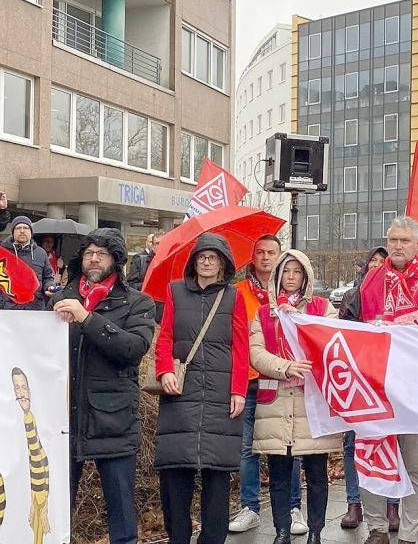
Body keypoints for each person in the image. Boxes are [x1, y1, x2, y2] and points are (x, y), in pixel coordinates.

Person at [340, 216, 418, 544]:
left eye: (404, 241)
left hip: (417, 392)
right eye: (393, 239)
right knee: (370, 460)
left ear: (417, 245)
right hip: (374, 388)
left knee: (416, 468)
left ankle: (410, 534)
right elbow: (346, 326)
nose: (397, 246)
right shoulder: (368, 282)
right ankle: (377, 529)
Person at [50, 228, 156, 544]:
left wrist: (87, 318)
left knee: (121, 513)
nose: (94, 259)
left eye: (102, 253)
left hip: (114, 420)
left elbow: (132, 348)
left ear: (117, 260)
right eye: (89, 253)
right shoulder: (59, 299)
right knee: (56, 512)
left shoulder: (138, 302)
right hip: (64, 420)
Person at [153, 233, 250, 544]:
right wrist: (165, 369)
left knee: (217, 477)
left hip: (221, 396)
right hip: (181, 393)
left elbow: (241, 348)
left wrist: (238, 390)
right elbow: (165, 337)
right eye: (202, 257)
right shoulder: (175, 291)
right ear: (193, 262)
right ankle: (177, 538)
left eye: (213, 257)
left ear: (223, 263)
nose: (207, 262)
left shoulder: (234, 297)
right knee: (175, 475)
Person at [249, 249, 343, 544]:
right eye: (285, 271)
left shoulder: (322, 307)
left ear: (306, 276)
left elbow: (332, 343)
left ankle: (316, 531)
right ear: (277, 276)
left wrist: (301, 321)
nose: (290, 278)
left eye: (297, 272)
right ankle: (281, 531)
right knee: (279, 473)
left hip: (312, 401)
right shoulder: (264, 313)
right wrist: (284, 367)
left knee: (317, 473)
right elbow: (256, 352)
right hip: (275, 400)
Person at [229, 235, 308, 536]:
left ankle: (293, 506)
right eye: (259, 252)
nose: (265, 258)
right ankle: (250, 506)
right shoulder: (238, 292)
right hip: (247, 379)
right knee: (247, 448)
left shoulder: (293, 297)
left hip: (285, 382)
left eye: (271, 252)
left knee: (292, 447)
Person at [339, 245, 396, 531]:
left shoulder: (397, 295)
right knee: (354, 443)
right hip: (359, 380)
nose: (376, 265)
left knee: (390, 442)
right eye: (372, 261)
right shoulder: (353, 297)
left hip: (389, 379)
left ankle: (391, 505)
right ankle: (354, 502)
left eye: (381, 262)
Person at [11, 368, 50, 544]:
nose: (21, 393)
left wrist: (41, 502)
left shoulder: (33, 419)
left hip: (36, 497)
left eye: (23, 387)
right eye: (17, 388)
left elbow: (39, 457)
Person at [1, 216, 54, 310]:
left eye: (25, 228)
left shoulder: (41, 253)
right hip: (8, 308)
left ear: (31, 232)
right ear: (13, 232)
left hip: (35, 307)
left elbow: (47, 277)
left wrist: (49, 287)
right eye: (18, 228)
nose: (22, 231)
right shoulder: (2, 252)